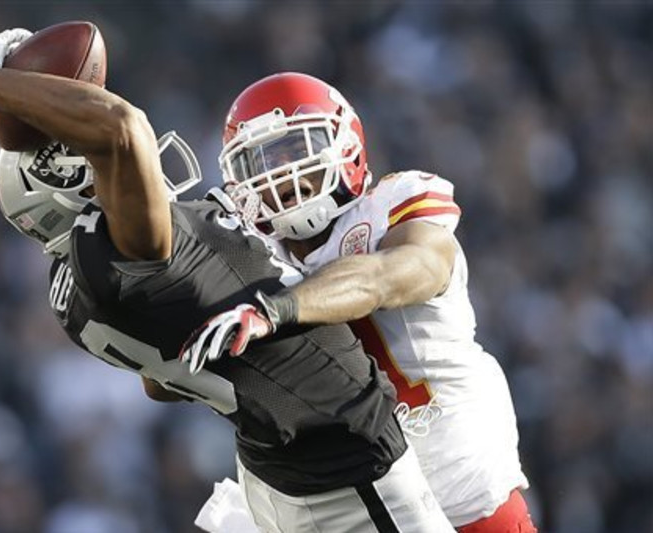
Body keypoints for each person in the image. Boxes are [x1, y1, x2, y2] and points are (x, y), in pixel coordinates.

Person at [0, 29, 455, 532]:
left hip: (273, 470)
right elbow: (121, 126)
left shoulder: (79, 280)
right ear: (63, 177)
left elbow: (160, 383)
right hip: (348, 460)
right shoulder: (118, 247)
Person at [181, 72, 538, 532]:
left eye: (291, 150)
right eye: (257, 162)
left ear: (344, 144)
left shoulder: (392, 204)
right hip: (337, 496)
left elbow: (397, 274)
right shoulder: (252, 251)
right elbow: (172, 371)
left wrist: (280, 308)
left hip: (454, 478)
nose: (276, 173)